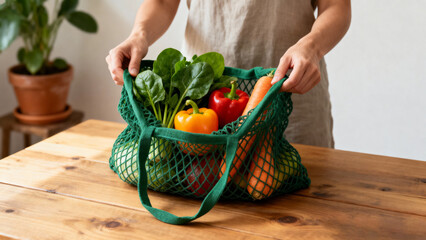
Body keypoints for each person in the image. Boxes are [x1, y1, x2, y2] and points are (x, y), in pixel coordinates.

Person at [106, 0, 351, 148]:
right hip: (201, 98)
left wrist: (312, 46)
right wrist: (139, 35)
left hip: (293, 92)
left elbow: (336, 5)